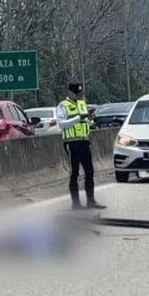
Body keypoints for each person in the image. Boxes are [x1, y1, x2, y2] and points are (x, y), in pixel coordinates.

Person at [54, 82, 106, 210]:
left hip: (84, 140)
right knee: (75, 173)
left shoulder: (82, 103)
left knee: (89, 171)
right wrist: (78, 118)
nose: (79, 95)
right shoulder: (63, 106)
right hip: (71, 143)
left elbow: (85, 122)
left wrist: (90, 119)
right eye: (76, 93)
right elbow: (62, 124)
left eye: (80, 93)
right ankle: (76, 203)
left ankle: (91, 201)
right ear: (70, 92)